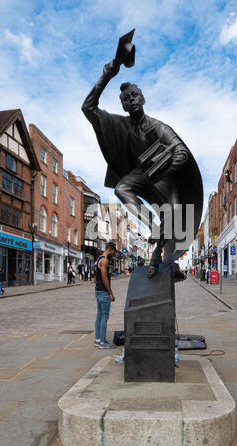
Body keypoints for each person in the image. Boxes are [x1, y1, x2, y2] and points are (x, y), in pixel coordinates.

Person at [82, 56, 203, 279]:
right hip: (140, 175)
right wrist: (106, 76)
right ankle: (151, 224)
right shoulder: (120, 124)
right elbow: (88, 108)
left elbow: (182, 153)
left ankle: (156, 257)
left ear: (143, 98)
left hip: (164, 178)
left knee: (173, 211)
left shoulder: (158, 127)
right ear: (123, 105)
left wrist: (160, 171)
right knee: (121, 188)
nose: (132, 100)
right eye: (127, 99)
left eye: (135, 95)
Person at [94, 242, 117, 349]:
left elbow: (95, 278)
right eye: (113, 252)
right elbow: (104, 278)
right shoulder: (105, 261)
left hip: (97, 291)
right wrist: (110, 293)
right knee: (104, 316)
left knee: (99, 315)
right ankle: (102, 342)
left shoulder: (98, 260)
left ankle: (97, 340)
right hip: (104, 292)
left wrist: (98, 287)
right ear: (111, 250)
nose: (113, 254)